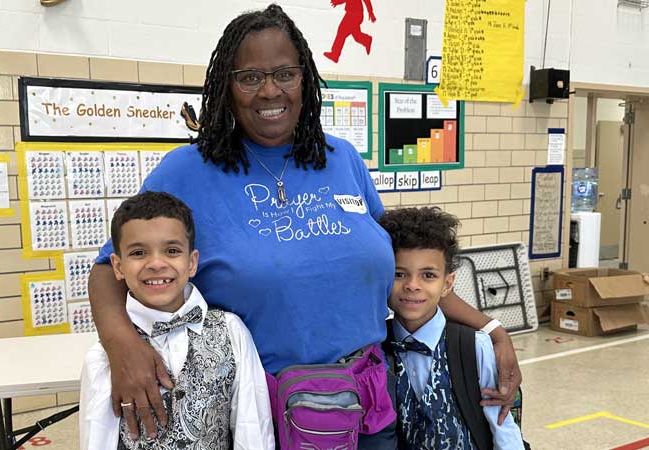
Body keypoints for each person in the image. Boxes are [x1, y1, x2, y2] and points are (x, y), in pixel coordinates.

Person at [87, 4, 521, 449]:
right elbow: (108, 268)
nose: (269, 91)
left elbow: (406, 272)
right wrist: (121, 346)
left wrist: (490, 328)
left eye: (285, 74)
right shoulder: (187, 171)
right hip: (265, 411)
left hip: (367, 401)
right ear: (226, 88)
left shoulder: (342, 159)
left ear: (305, 80)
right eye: (250, 77)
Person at [80, 191, 275, 450]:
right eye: (138, 253)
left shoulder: (232, 332)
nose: (156, 263)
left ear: (192, 262)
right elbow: (97, 439)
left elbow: (253, 430)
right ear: (118, 266)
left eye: (172, 251)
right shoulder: (104, 357)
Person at [379, 207, 525, 450]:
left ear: (447, 284)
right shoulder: (376, 346)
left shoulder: (473, 347)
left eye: (428, 275)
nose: (412, 285)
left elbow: (502, 426)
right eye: (398, 274)